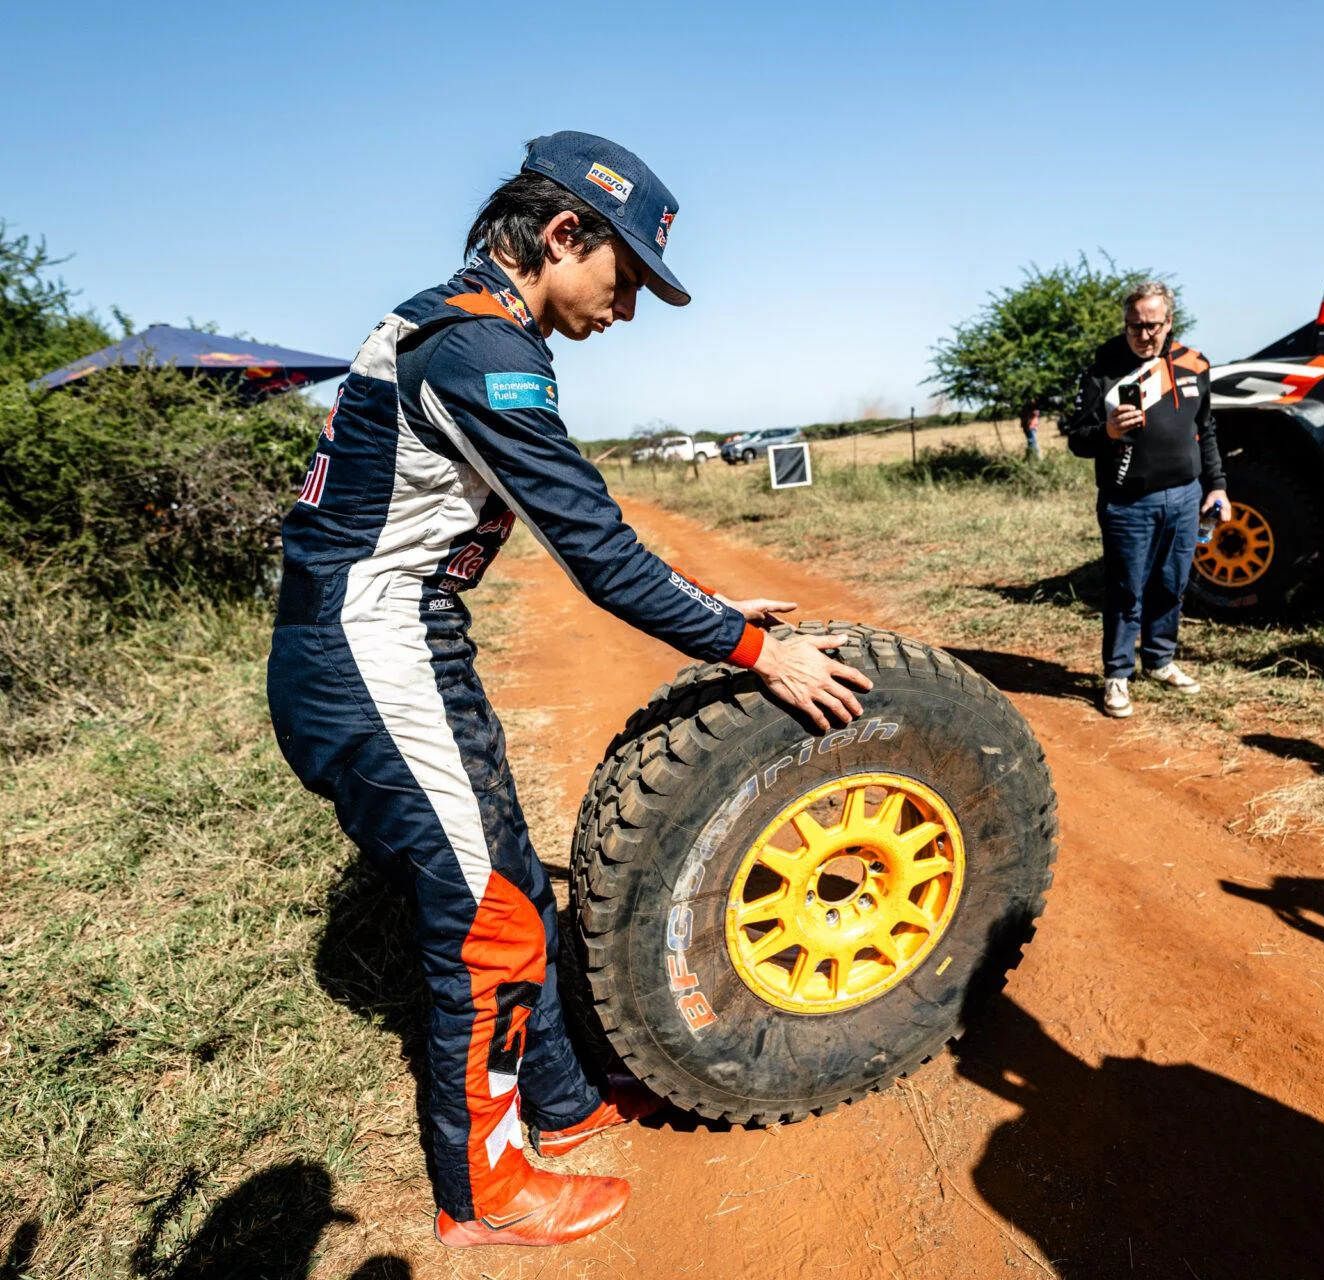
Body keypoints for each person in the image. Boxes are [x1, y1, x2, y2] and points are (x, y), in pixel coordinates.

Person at [266, 132, 872, 1249]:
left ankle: (562, 1099)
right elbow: (595, 553)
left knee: (510, 883)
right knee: (489, 914)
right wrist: (754, 650)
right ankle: (483, 1188)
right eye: (625, 276)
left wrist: (722, 608)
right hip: (366, 655)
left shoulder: (461, 323)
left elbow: (595, 528)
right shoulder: (479, 349)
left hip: (402, 644)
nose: (628, 307)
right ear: (561, 235)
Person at [1063, 281, 1229, 718]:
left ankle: (1159, 660)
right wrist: (1109, 432)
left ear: (1169, 322)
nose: (1143, 335)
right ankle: (1117, 675)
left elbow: (1206, 429)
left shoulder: (1194, 364)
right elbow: (1077, 439)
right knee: (1125, 591)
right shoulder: (1104, 369)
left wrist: (1217, 486)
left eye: (1152, 325)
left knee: (1172, 585)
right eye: (1134, 326)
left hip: (1186, 496)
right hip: (1128, 503)